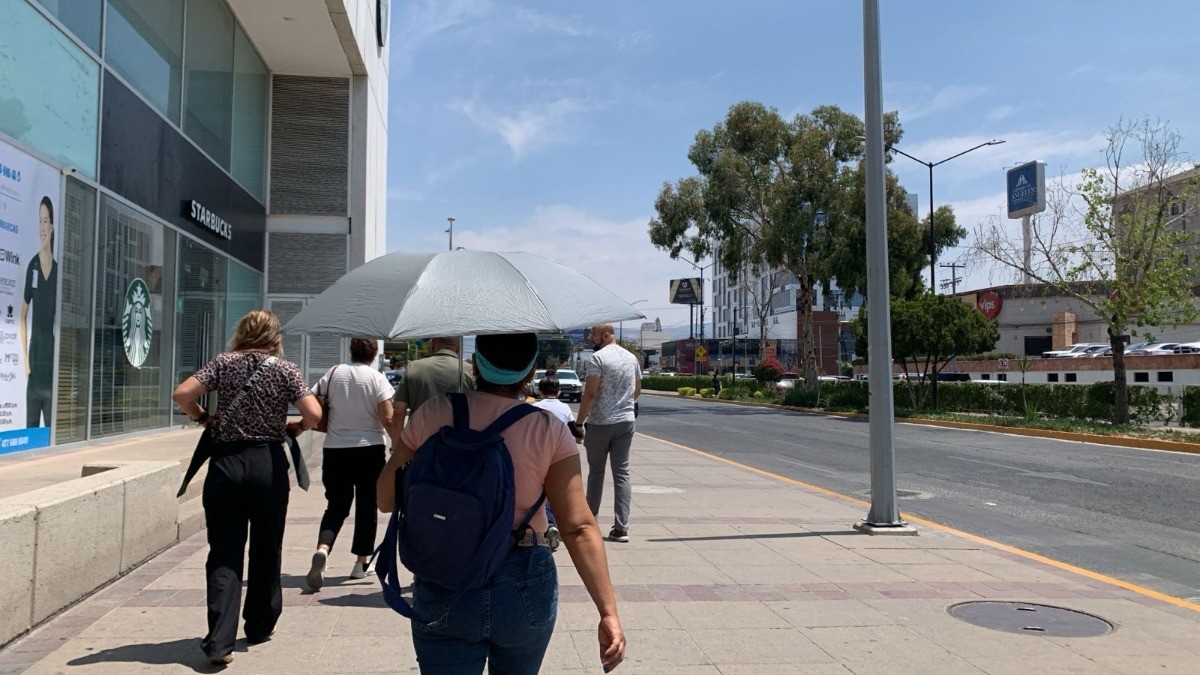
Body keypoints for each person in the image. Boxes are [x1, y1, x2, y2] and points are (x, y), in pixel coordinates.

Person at [377, 333, 625, 674]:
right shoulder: (549, 430)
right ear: (531, 371)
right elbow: (578, 526)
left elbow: (385, 499)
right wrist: (607, 612)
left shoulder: (433, 412)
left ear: (476, 364)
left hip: (443, 571)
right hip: (522, 578)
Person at [172, 310, 321, 666]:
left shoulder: (223, 363)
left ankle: (220, 642)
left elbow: (182, 394)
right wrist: (296, 429)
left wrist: (203, 418)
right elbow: (313, 414)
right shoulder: (285, 369)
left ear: (242, 331)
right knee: (266, 546)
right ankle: (259, 624)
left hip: (226, 464)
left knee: (224, 551)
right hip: (267, 463)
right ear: (274, 335)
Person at [306, 338, 395, 591]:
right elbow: (387, 417)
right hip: (369, 450)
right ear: (374, 353)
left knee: (335, 506)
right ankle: (360, 564)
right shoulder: (377, 379)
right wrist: (397, 443)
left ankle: (323, 549)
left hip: (335, 449)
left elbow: (312, 399)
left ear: (351, 351)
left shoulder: (334, 373)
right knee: (367, 506)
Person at [576, 324, 641, 543]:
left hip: (601, 423)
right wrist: (623, 404)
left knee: (596, 472)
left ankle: (591, 521)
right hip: (626, 422)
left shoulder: (598, 359)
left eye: (593, 334)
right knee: (622, 473)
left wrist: (579, 421)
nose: (591, 338)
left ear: (605, 335)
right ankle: (622, 528)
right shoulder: (632, 358)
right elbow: (637, 390)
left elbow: (590, 393)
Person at [391, 336, 475, 447]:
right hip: (458, 448)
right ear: (459, 348)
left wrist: (396, 450)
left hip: (418, 445)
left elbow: (398, 413)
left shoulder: (414, 367)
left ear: (432, 343)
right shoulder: (470, 371)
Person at [20, 196, 57, 428]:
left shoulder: (58, 272)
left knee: (53, 432)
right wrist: (25, 360)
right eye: (40, 221)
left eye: (46, 221)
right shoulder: (32, 265)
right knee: (31, 431)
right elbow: (21, 316)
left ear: (52, 226)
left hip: (53, 367)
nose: (42, 227)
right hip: (34, 369)